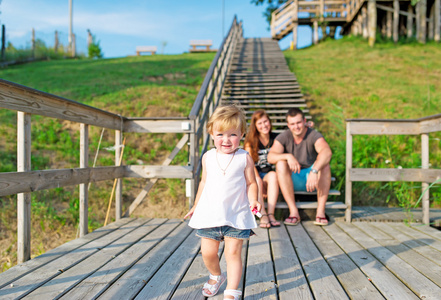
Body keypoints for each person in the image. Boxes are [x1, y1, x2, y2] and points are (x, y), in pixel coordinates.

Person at [184, 104, 260, 300]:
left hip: (236, 214)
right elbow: (204, 183)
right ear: (211, 132)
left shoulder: (244, 158)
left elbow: (251, 183)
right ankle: (216, 275)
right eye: (220, 134)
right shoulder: (208, 157)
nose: (226, 140)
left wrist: (254, 200)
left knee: (233, 254)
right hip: (210, 215)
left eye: (232, 135)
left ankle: (232, 291)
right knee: (208, 253)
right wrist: (195, 205)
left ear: (242, 134)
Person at [267, 108, 332, 226]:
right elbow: (270, 157)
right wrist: (287, 156)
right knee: (280, 163)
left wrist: (314, 170)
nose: (296, 126)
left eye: (298, 122)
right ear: (288, 125)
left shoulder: (313, 134)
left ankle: (321, 212)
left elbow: (326, 152)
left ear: (304, 121)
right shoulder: (284, 136)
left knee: (325, 165)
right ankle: (293, 212)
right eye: (292, 124)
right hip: (292, 179)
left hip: (312, 178)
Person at [244, 110, 281, 228]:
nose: (264, 125)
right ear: (255, 126)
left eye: (265, 121)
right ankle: (262, 215)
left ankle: (271, 214)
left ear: (269, 122)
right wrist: (258, 178)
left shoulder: (276, 138)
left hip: (269, 174)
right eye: (260, 123)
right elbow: (249, 163)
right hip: (255, 173)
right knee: (258, 181)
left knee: (273, 175)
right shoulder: (251, 141)